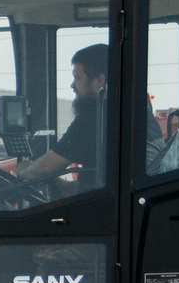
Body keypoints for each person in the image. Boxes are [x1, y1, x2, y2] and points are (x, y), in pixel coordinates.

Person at [16, 43, 112, 186]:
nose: (72, 85)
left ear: (99, 80)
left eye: (77, 78)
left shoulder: (95, 118)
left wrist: (23, 171)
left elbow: (42, 169)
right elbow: (104, 184)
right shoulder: (130, 113)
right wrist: (63, 186)